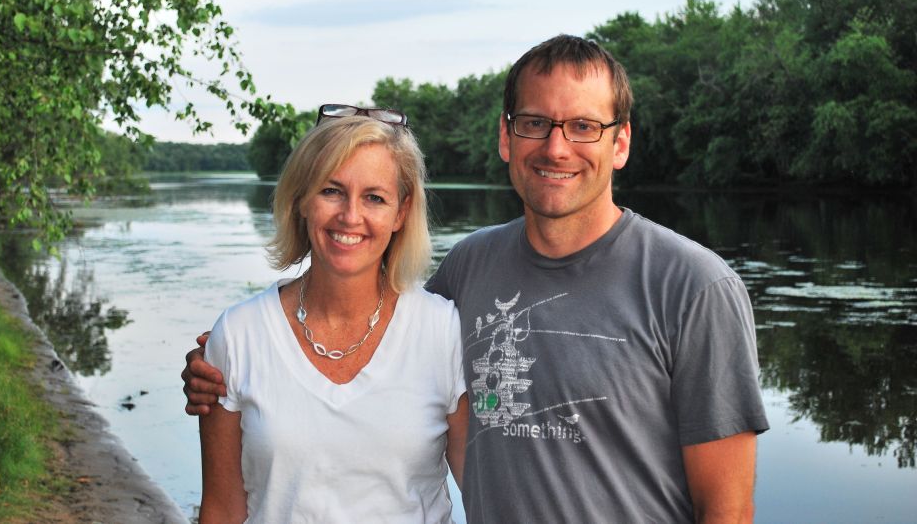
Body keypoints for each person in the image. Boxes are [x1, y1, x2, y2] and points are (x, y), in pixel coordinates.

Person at [185, 36, 769, 523]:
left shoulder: (694, 287)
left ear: (620, 142)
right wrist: (225, 367)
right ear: (505, 136)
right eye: (535, 123)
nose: (556, 147)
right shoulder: (469, 270)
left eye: (584, 126)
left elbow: (728, 511)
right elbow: (385, 352)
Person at [197, 107, 468, 523]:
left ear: (400, 212)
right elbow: (221, 509)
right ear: (302, 199)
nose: (350, 216)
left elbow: (485, 490)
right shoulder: (238, 335)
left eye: (374, 198)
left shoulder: (443, 331)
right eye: (331, 191)